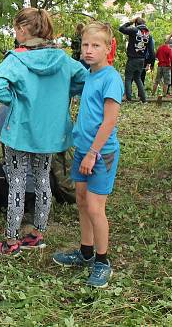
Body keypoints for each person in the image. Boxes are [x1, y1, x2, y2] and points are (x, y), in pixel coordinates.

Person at [0, 8, 87, 255]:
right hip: (49, 132)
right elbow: (84, 78)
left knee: (17, 181)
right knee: (42, 179)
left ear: (21, 30)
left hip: (21, 131)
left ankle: (11, 241)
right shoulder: (62, 59)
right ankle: (38, 235)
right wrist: (61, 94)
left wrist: (16, 101)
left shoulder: (17, 59)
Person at [52, 22, 123, 288]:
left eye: (95, 46)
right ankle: (85, 251)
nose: (89, 50)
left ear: (107, 48)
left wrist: (93, 153)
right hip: (83, 149)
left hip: (100, 153)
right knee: (81, 200)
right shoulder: (89, 74)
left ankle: (102, 262)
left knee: (95, 207)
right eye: (85, 45)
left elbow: (109, 121)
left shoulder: (111, 78)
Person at [118, 17, 153, 103]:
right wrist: (150, 63)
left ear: (136, 24)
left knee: (128, 78)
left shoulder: (134, 31)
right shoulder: (148, 35)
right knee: (138, 78)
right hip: (142, 60)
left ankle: (128, 97)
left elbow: (121, 29)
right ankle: (143, 98)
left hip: (132, 58)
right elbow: (151, 50)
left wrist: (130, 22)